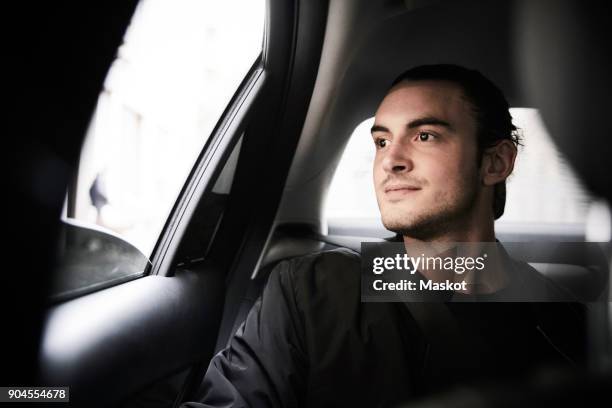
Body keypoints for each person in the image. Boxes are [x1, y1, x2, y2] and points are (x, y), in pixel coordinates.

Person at [182, 65, 586, 407]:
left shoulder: (561, 321)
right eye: (381, 141)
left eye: (425, 135)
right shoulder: (310, 292)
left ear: (495, 162)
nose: (390, 161)